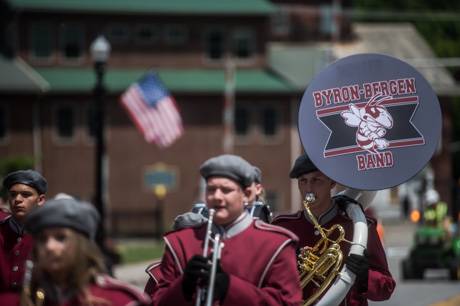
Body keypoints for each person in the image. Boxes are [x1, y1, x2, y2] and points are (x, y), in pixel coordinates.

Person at [150, 154, 302, 306]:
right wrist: (183, 286)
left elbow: (287, 303)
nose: (216, 196)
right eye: (211, 189)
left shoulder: (275, 244)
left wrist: (230, 287)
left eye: (226, 190)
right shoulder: (179, 242)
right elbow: (157, 302)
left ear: (247, 194)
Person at [272, 154, 395, 306]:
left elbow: (386, 288)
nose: (308, 188)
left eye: (317, 180)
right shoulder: (282, 228)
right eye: (303, 181)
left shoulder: (359, 226)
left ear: (332, 183)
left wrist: (364, 276)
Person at [10, 197, 151, 306]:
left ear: (82, 245)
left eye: (61, 238)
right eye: (42, 239)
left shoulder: (120, 300)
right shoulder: (26, 300)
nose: (49, 246)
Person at [0, 170, 47, 293]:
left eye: (26, 194)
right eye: (13, 194)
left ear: (40, 200)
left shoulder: (47, 236)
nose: (17, 199)